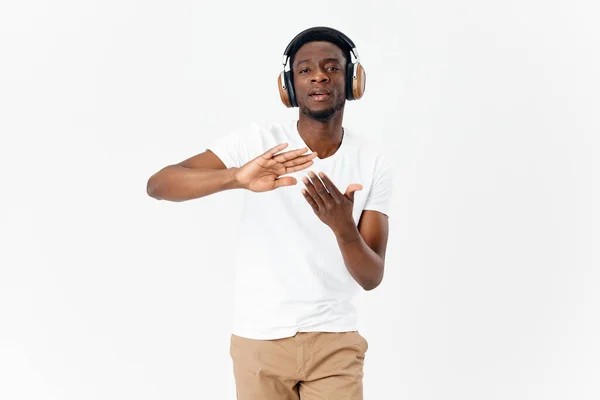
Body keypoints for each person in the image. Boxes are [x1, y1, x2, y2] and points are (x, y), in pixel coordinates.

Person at [147, 26, 392, 400]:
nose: (319, 76)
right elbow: (160, 185)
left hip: (334, 340)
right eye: (305, 70)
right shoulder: (256, 142)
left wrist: (343, 228)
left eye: (331, 67)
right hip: (259, 339)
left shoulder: (371, 161)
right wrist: (237, 178)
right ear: (289, 86)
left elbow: (372, 277)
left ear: (353, 80)